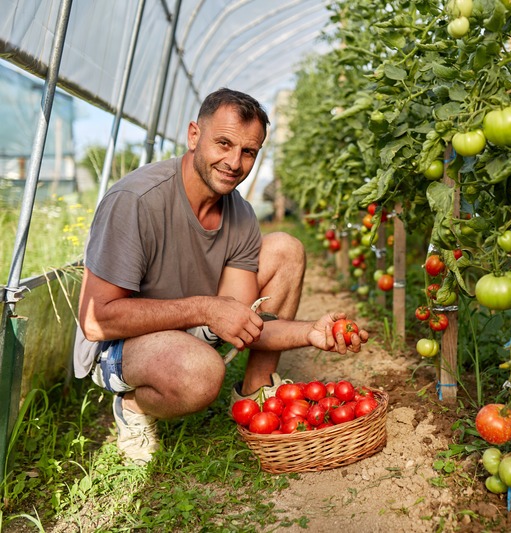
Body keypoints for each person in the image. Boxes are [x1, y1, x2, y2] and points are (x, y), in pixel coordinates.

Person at [73, 88, 368, 465]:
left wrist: (310, 332)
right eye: (224, 143)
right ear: (194, 135)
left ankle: (256, 396)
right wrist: (206, 308)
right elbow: (97, 321)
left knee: (285, 248)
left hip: (187, 328)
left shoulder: (240, 214)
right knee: (201, 374)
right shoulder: (137, 200)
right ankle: (132, 405)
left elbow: (244, 318)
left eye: (248, 152)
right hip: (119, 345)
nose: (234, 162)